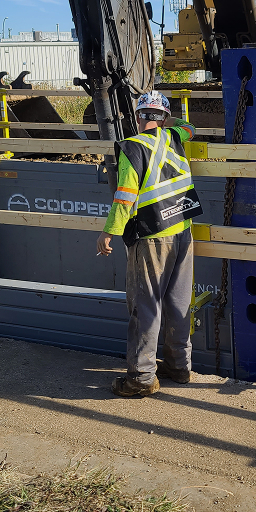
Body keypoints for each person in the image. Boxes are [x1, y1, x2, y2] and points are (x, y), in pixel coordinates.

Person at [96, 91, 202, 397]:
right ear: (164, 118)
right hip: (183, 231)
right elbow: (189, 126)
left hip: (154, 236)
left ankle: (142, 377)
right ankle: (179, 367)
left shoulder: (133, 147)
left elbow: (125, 195)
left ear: (138, 116)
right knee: (178, 303)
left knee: (145, 305)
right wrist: (168, 122)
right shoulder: (175, 137)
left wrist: (109, 232)